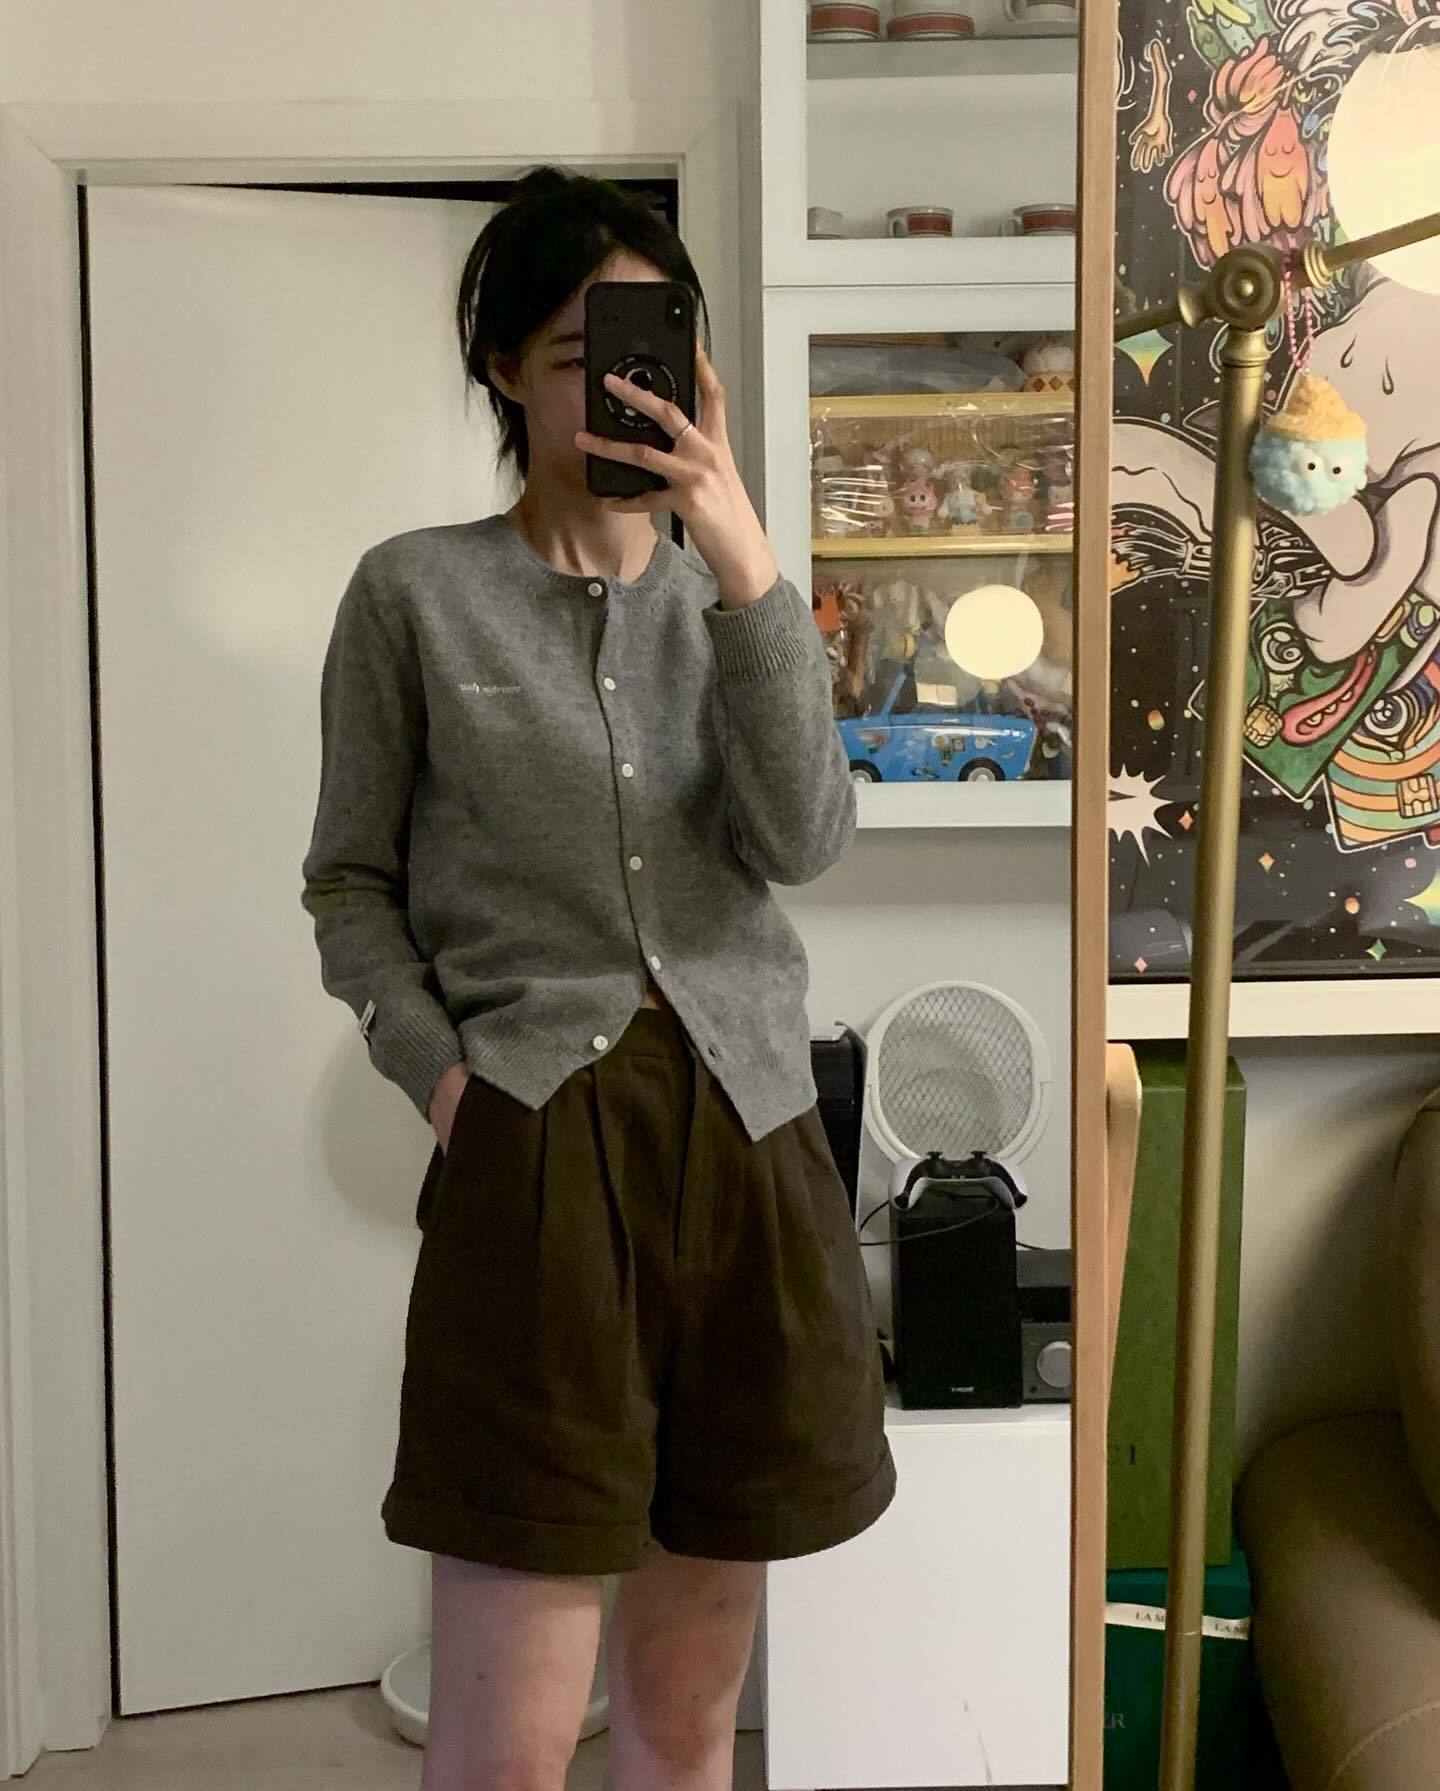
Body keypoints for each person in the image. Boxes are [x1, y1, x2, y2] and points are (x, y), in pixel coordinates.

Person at [300, 166, 895, 1791]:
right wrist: (443, 1076)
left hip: (754, 1146)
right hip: (538, 1144)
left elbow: (804, 839)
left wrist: (748, 560)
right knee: (507, 1739)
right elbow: (349, 883)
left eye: (648, 353)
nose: (621, 391)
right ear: (503, 367)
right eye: (578, 356)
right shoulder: (416, 593)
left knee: (690, 1715)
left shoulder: (734, 602)